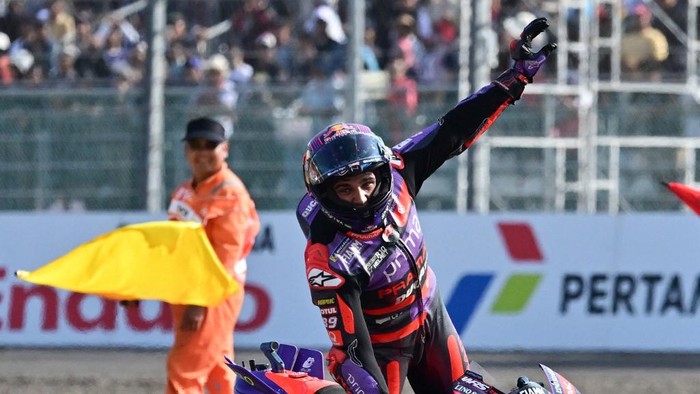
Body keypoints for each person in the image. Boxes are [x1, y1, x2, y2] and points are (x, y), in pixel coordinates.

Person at [296, 18, 556, 394]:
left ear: (382, 174)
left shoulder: (399, 169)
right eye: (345, 190)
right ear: (325, 194)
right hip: (380, 350)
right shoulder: (327, 256)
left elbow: (454, 128)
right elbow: (351, 347)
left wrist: (516, 77)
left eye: (367, 183)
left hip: (432, 321)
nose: (362, 197)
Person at [165, 117, 260, 393]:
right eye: (196, 145)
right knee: (217, 365)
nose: (203, 151)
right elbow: (172, 246)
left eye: (211, 145)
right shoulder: (183, 191)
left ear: (225, 150)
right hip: (190, 289)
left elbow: (226, 256)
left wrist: (200, 301)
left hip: (213, 293)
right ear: (186, 151)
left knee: (184, 369)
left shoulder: (230, 193)